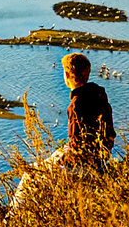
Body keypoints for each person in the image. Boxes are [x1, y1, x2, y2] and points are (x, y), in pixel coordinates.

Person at [10, 52, 115, 211]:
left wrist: (61, 161)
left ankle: (13, 217)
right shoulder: (99, 94)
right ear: (87, 73)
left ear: (66, 75)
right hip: (103, 155)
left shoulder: (76, 105)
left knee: (30, 176)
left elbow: (78, 147)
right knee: (56, 153)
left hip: (84, 163)